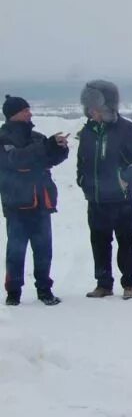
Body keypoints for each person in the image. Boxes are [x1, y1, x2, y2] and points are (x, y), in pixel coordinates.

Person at [77, 80, 132, 299]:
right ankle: (103, 284)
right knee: (99, 242)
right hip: (96, 200)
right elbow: (82, 160)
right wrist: (82, 179)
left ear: (108, 106)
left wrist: (127, 177)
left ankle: (129, 284)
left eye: (95, 107)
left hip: (122, 201)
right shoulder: (88, 131)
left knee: (126, 242)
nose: (91, 112)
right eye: (89, 107)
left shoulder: (127, 130)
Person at [1, 96, 69, 306]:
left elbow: (49, 160)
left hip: (42, 203)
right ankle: (13, 293)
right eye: (25, 110)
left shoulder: (36, 138)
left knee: (43, 250)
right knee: (16, 251)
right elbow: (16, 160)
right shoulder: (3, 138)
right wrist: (43, 149)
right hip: (17, 205)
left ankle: (44, 290)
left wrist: (59, 148)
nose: (29, 113)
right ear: (14, 114)